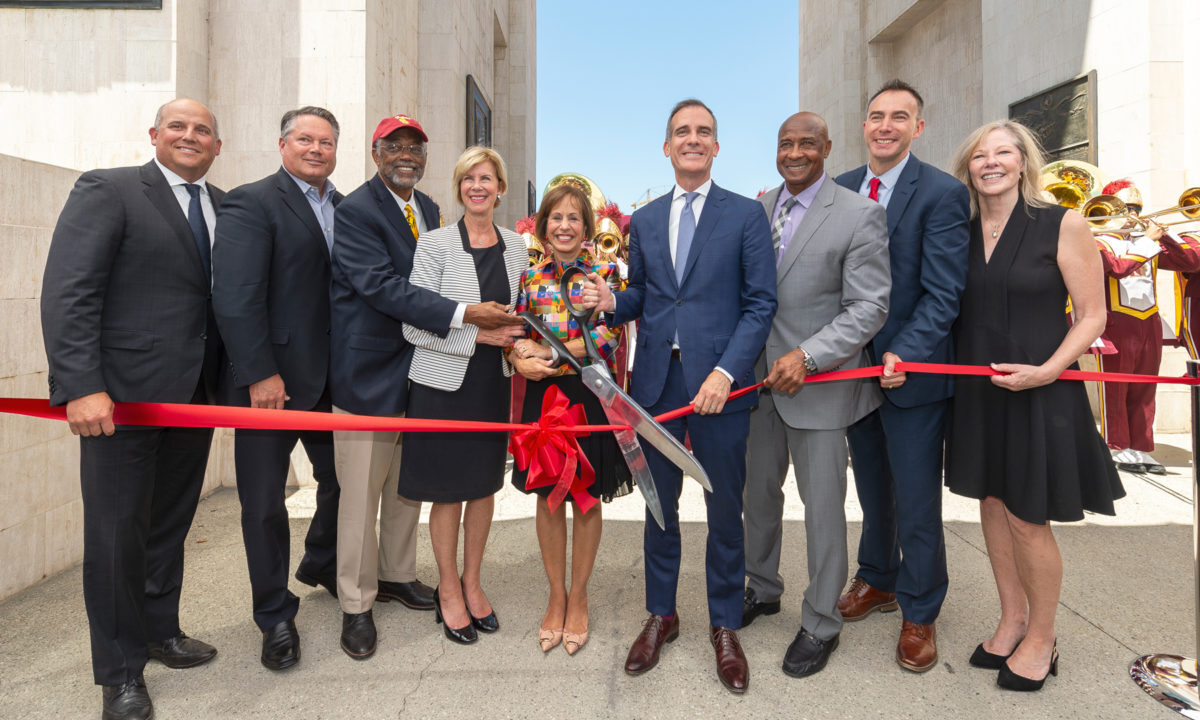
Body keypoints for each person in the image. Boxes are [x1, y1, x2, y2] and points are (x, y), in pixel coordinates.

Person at [582, 99, 777, 694]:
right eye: (681, 133)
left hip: (721, 389)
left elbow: (760, 304)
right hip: (656, 389)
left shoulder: (746, 215)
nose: (693, 140)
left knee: (724, 509)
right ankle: (661, 614)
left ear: (716, 147)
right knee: (658, 507)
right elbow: (646, 294)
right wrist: (615, 302)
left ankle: (724, 623)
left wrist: (726, 371)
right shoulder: (643, 221)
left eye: (704, 132)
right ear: (666, 148)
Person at [41, 98, 223, 720]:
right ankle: (119, 674)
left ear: (217, 146)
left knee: (168, 523)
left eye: (203, 129)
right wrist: (80, 384)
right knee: (117, 536)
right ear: (154, 135)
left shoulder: (224, 206)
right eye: (178, 126)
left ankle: (159, 631)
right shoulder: (110, 190)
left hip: (194, 398)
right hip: (118, 401)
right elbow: (70, 292)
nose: (190, 136)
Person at [328, 114, 523, 659]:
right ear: (376, 152)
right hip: (383, 369)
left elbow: (519, 310)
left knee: (407, 491)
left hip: (448, 378)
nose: (405, 154)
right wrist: (473, 322)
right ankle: (356, 604)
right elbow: (382, 288)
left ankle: (395, 575)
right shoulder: (358, 211)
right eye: (395, 146)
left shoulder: (432, 213)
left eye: (415, 146)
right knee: (366, 492)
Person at [945, 120, 1124, 691]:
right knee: (992, 507)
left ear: (1024, 162)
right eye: (980, 155)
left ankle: (1043, 638)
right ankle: (1012, 619)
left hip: (1040, 390)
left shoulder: (1062, 223)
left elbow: (1094, 315)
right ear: (968, 167)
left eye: (1003, 153)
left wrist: (1049, 370)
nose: (990, 163)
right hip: (979, 393)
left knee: (1027, 518)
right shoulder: (962, 230)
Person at [742, 112, 891, 678]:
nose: (795, 152)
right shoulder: (755, 211)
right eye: (786, 143)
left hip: (819, 385)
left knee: (823, 510)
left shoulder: (860, 214)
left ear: (828, 148)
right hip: (755, 387)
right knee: (757, 499)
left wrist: (807, 356)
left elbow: (870, 307)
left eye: (808, 143)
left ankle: (821, 622)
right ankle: (762, 587)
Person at [834, 79, 970, 672]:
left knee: (915, 498)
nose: (885, 126)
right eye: (875, 116)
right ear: (863, 126)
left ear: (919, 127)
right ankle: (879, 578)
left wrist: (905, 354)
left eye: (899, 117)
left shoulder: (941, 193)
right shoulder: (836, 189)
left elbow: (944, 293)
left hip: (908, 372)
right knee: (871, 488)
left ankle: (920, 608)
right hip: (849, 373)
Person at [212, 106, 343, 671]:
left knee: (343, 484)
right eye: (306, 139)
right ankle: (274, 614)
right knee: (263, 503)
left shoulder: (344, 206)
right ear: (283, 143)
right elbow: (235, 295)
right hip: (270, 385)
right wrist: (260, 373)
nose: (317, 149)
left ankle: (320, 562)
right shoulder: (252, 201)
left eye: (327, 142)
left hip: (333, 378)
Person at [399, 146, 528, 645]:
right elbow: (415, 323)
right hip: (440, 383)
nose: (478, 186)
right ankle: (447, 588)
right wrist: (478, 335)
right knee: (447, 491)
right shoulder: (432, 246)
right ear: (458, 188)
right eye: (469, 178)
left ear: (500, 188)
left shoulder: (518, 247)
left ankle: (474, 582)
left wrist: (517, 344)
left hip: (491, 384)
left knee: (482, 488)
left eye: (487, 178)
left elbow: (521, 316)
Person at [508, 182, 633, 655]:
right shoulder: (530, 277)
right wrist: (519, 353)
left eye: (573, 218)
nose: (564, 226)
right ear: (543, 226)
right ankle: (555, 595)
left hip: (588, 394)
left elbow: (608, 339)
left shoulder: (604, 274)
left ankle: (579, 596)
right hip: (543, 397)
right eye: (555, 218)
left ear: (586, 227)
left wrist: (550, 352)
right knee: (546, 498)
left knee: (585, 497)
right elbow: (517, 330)